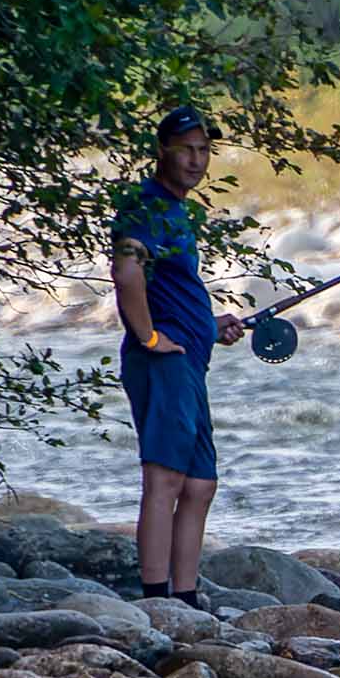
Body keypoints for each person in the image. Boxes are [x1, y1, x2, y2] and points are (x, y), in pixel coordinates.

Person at [110, 105, 246, 609]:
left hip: (189, 358)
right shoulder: (145, 209)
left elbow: (169, 289)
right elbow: (127, 275)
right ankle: (154, 599)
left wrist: (210, 326)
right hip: (162, 362)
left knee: (200, 483)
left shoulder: (176, 212)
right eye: (186, 149)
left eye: (204, 150)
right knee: (165, 478)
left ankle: (185, 598)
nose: (196, 159)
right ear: (162, 151)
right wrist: (147, 338)